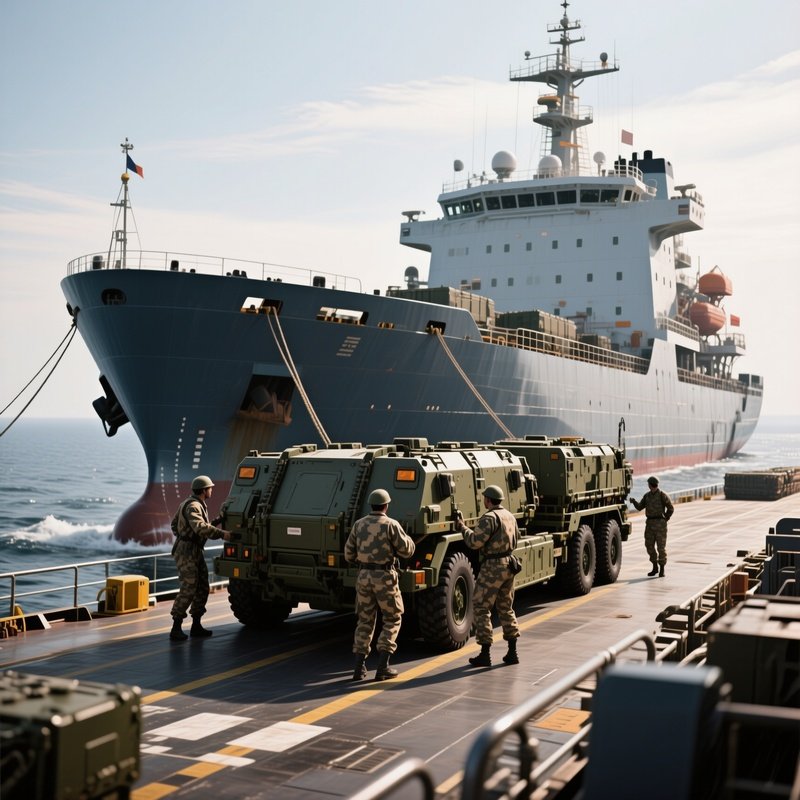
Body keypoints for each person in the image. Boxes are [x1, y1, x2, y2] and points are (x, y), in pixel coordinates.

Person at [344, 488, 415, 681]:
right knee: (392, 618)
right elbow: (406, 550)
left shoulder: (359, 524)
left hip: (364, 576)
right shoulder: (391, 524)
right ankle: (383, 666)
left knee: (365, 620)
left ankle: (359, 668)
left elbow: (348, 554)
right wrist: (409, 540)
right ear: (386, 505)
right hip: (384, 577)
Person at [454, 485, 520, 667]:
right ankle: (512, 652)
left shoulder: (489, 518)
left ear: (488, 500)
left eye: (485, 498)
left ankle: (485, 654)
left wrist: (462, 527)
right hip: (509, 565)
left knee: (482, 607)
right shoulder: (509, 516)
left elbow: (474, 542)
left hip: (492, 567)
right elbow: (517, 537)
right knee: (506, 607)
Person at [169, 475, 231, 641]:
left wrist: (217, 520)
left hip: (194, 550)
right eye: (210, 488)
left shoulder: (191, 503)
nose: (211, 490)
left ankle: (196, 625)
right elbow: (200, 528)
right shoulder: (194, 506)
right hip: (187, 553)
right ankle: (176, 627)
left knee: (202, 587)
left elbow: (174, 525)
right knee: (189, 588)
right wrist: (223, 534)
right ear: (204, 490)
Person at [630, 476, 674, 577]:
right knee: (649, 546)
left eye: (648, 483)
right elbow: (640, 507)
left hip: (660, 525)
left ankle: (662, 568)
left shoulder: (662, 495)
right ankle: (655, 567)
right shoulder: (647, 496)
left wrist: (665, 518)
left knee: (661, 548)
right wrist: (634, 502)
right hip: (649, 524)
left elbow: (670, 508)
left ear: (650, 484)